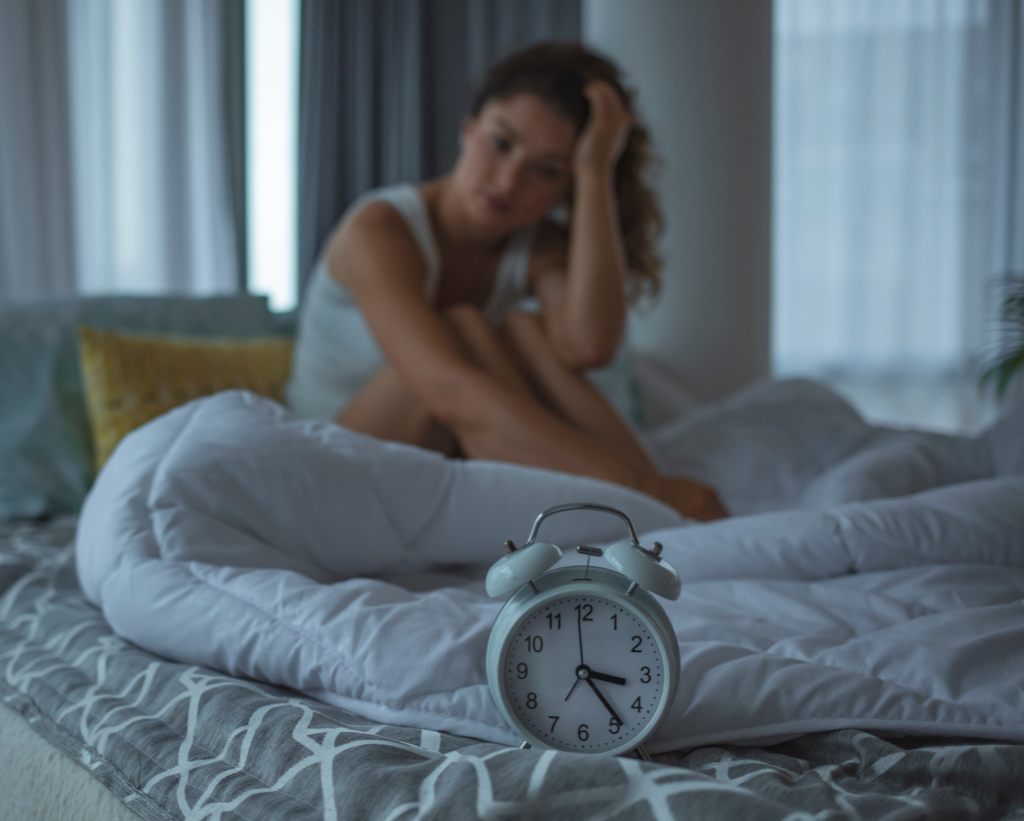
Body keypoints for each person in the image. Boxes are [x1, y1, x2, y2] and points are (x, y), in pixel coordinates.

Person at [286, 42, 727, 521]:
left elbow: (588, 345)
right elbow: (447, 392)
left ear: (566, 187)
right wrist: (642, 487)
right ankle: (652, 504)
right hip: (329, 464)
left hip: (438, 456)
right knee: (458, 331)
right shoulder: (380, 230)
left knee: (521, 329)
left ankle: (659, 510)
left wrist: (595, 170)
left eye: (547, 170)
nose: (509, 180)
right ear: (468, 129)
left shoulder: (536, 246)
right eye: (500, 143)